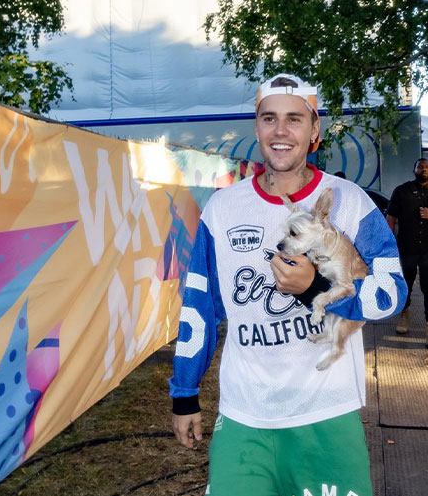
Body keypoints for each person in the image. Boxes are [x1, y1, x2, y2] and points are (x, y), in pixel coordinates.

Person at [169, 73, 407, 496]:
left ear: (314, 130)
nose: (280, 131)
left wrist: (314, 288)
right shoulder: (223, 208)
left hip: (327, 414)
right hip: (245, 415)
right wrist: (185, 392)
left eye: (294, 119)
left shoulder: (350, 201)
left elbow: (391, 295)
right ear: (257, 127)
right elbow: (199, 308)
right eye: (269, 118)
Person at [386, 158, 428, 349]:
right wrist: (390, 242)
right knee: (405, 284)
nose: (423, 169)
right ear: (414, 169)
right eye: (420, 166)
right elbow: (391, 217)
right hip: (406, 246)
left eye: (426, 166)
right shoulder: (401, 191)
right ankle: (404, 314)